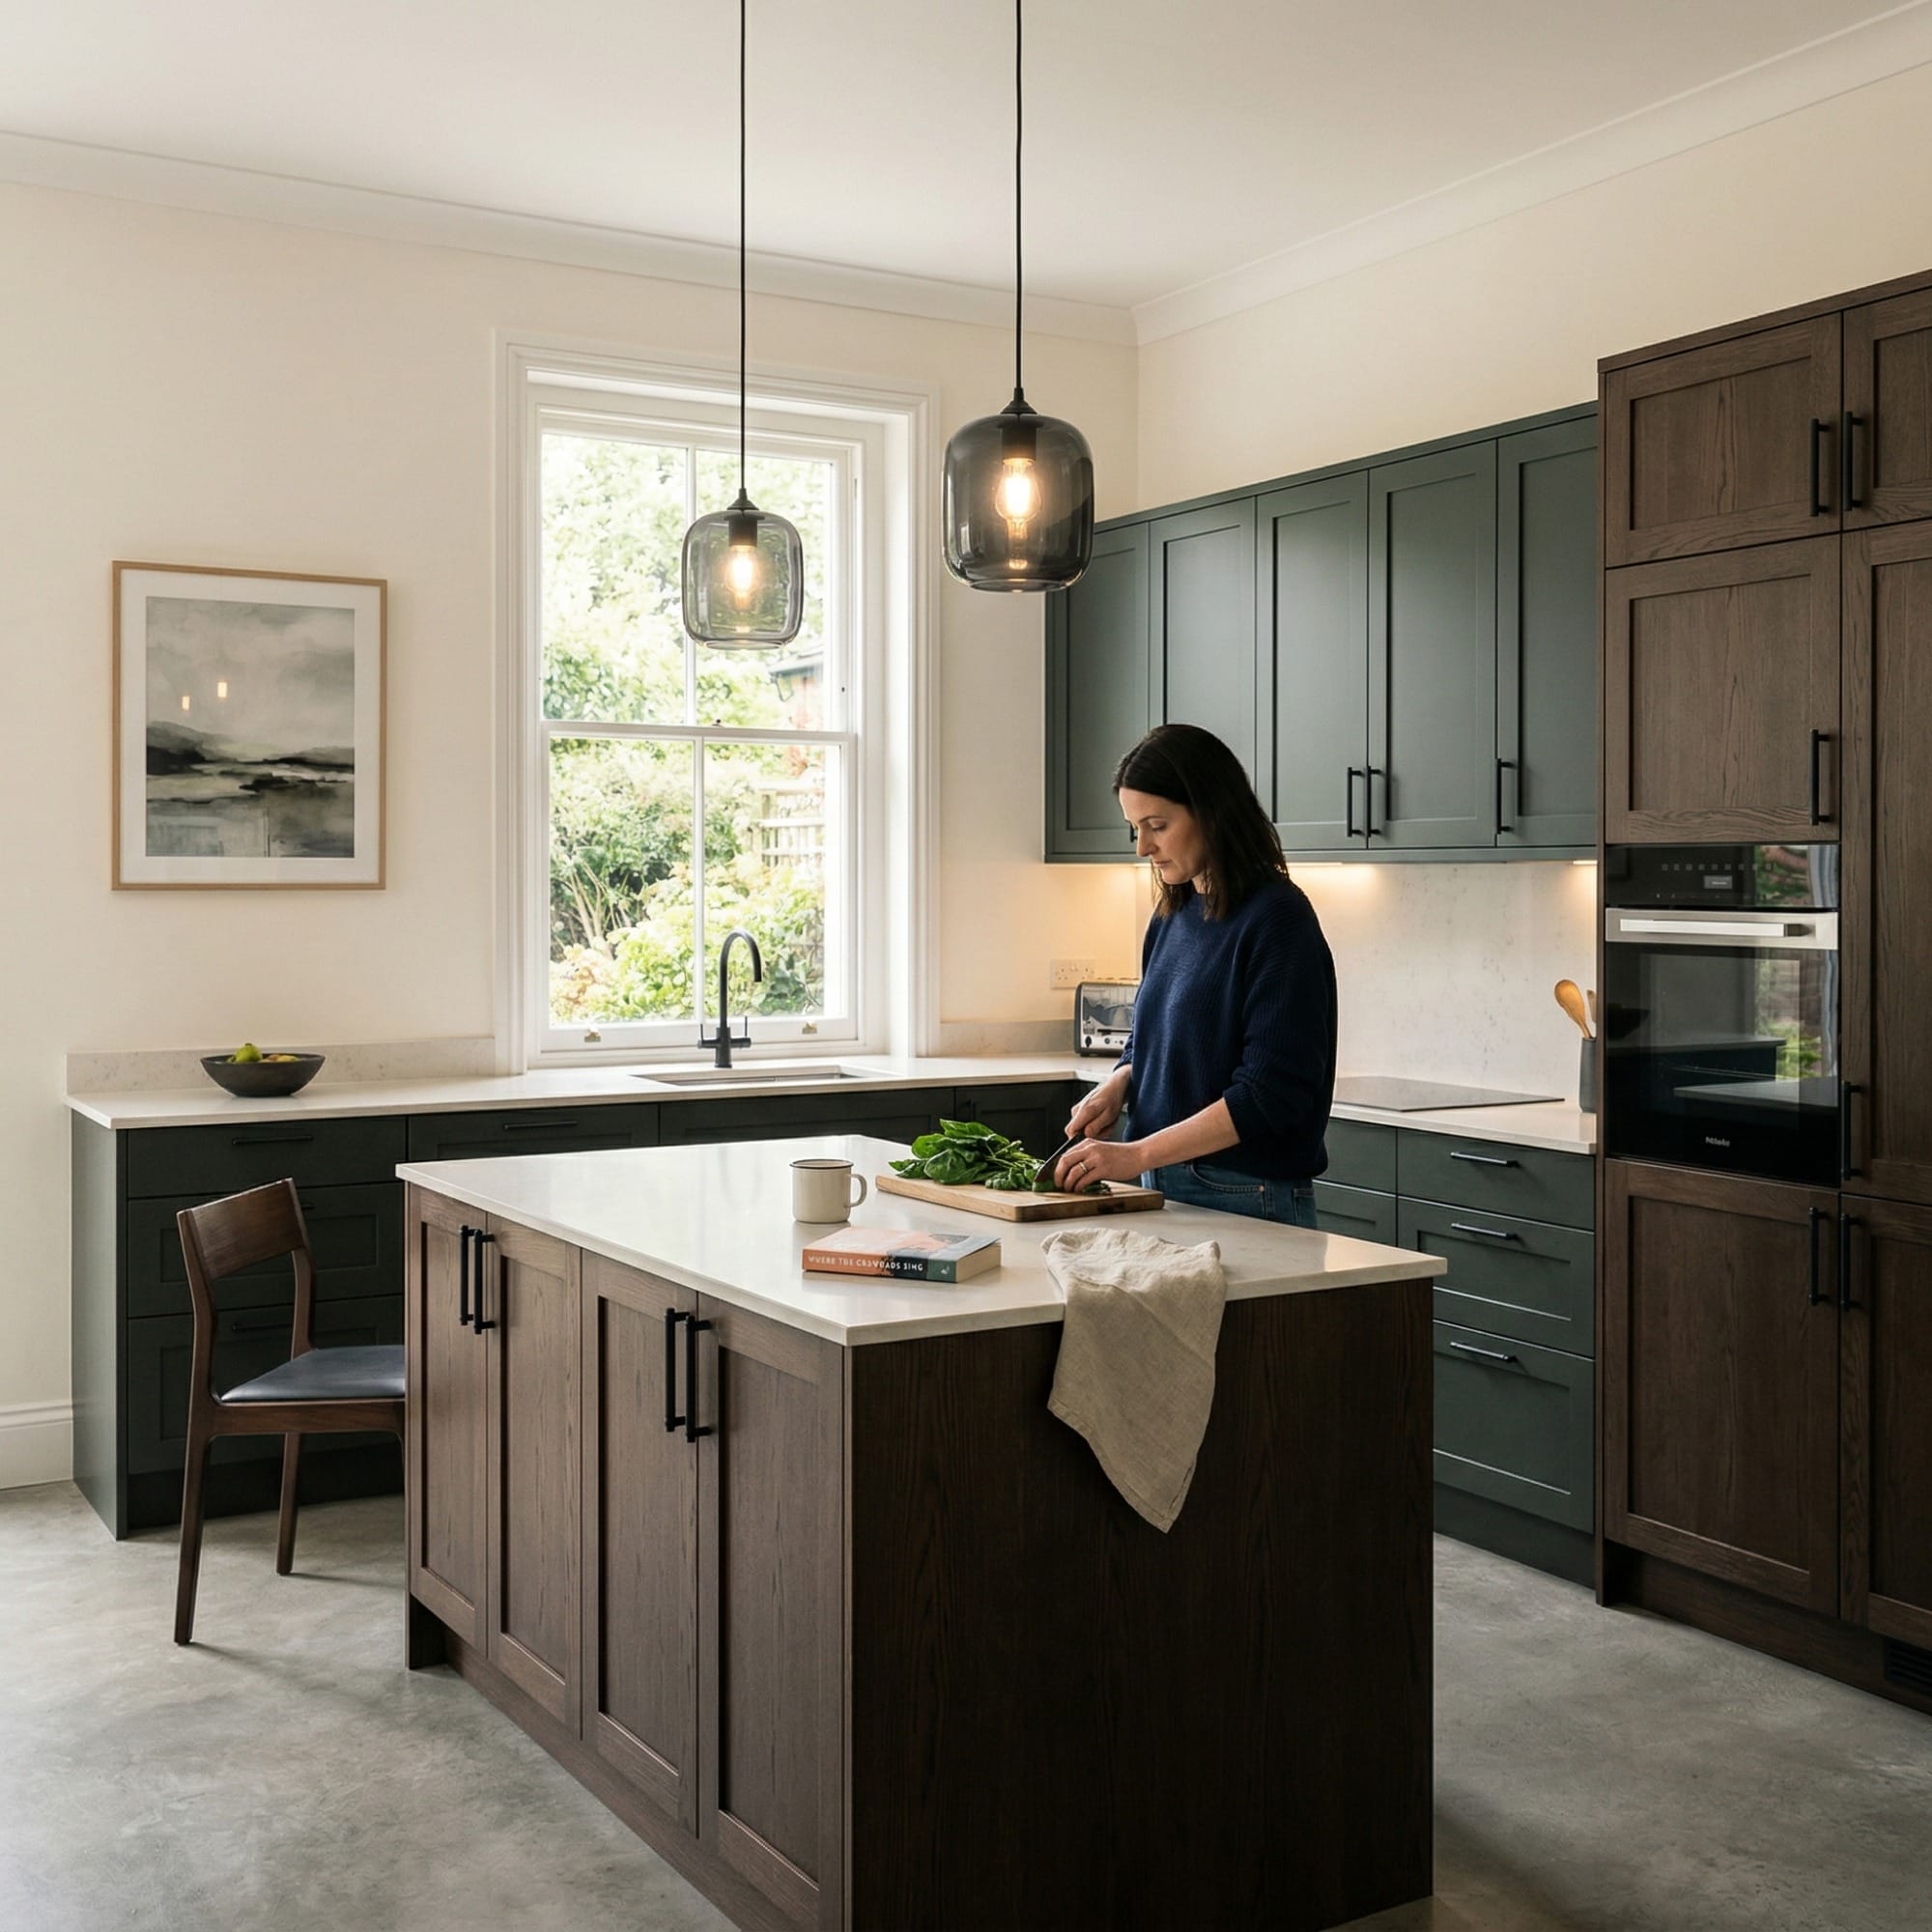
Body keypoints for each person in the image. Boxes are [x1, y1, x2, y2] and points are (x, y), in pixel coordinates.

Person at [1055, 723, 1337, 1229]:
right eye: (1135, 828)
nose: (1142, 847)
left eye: (1157, 825)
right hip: (1162, 1184)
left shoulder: (1278, 919)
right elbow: (1148, 1041)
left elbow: (1269, 1096)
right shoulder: (1171, 915)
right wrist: (1119, 1083)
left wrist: (1136, 1154)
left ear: (1212, 812)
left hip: (1247, 1195)